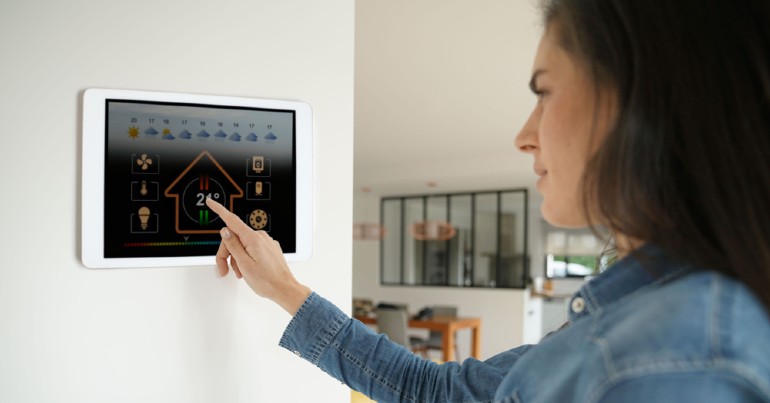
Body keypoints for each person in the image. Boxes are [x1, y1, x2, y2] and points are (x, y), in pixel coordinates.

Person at [206, 0, 770, 401]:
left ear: (641, 101)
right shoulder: (632, 321)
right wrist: (283, 287)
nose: (524, 135)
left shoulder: (668, 364)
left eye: (544, 92)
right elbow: (437, 389)